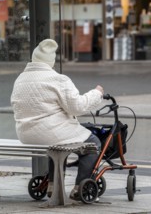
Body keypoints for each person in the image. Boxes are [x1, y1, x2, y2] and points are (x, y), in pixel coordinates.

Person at [10, 39, 104, 200]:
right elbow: (77, 107)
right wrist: (97, 93)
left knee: (58, 146)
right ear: (51, 61)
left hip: (25, 134)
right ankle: (80, 187)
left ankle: (53, 186)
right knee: (93, 143)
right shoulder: (58, 79)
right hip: (51, 133)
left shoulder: (20, 79)